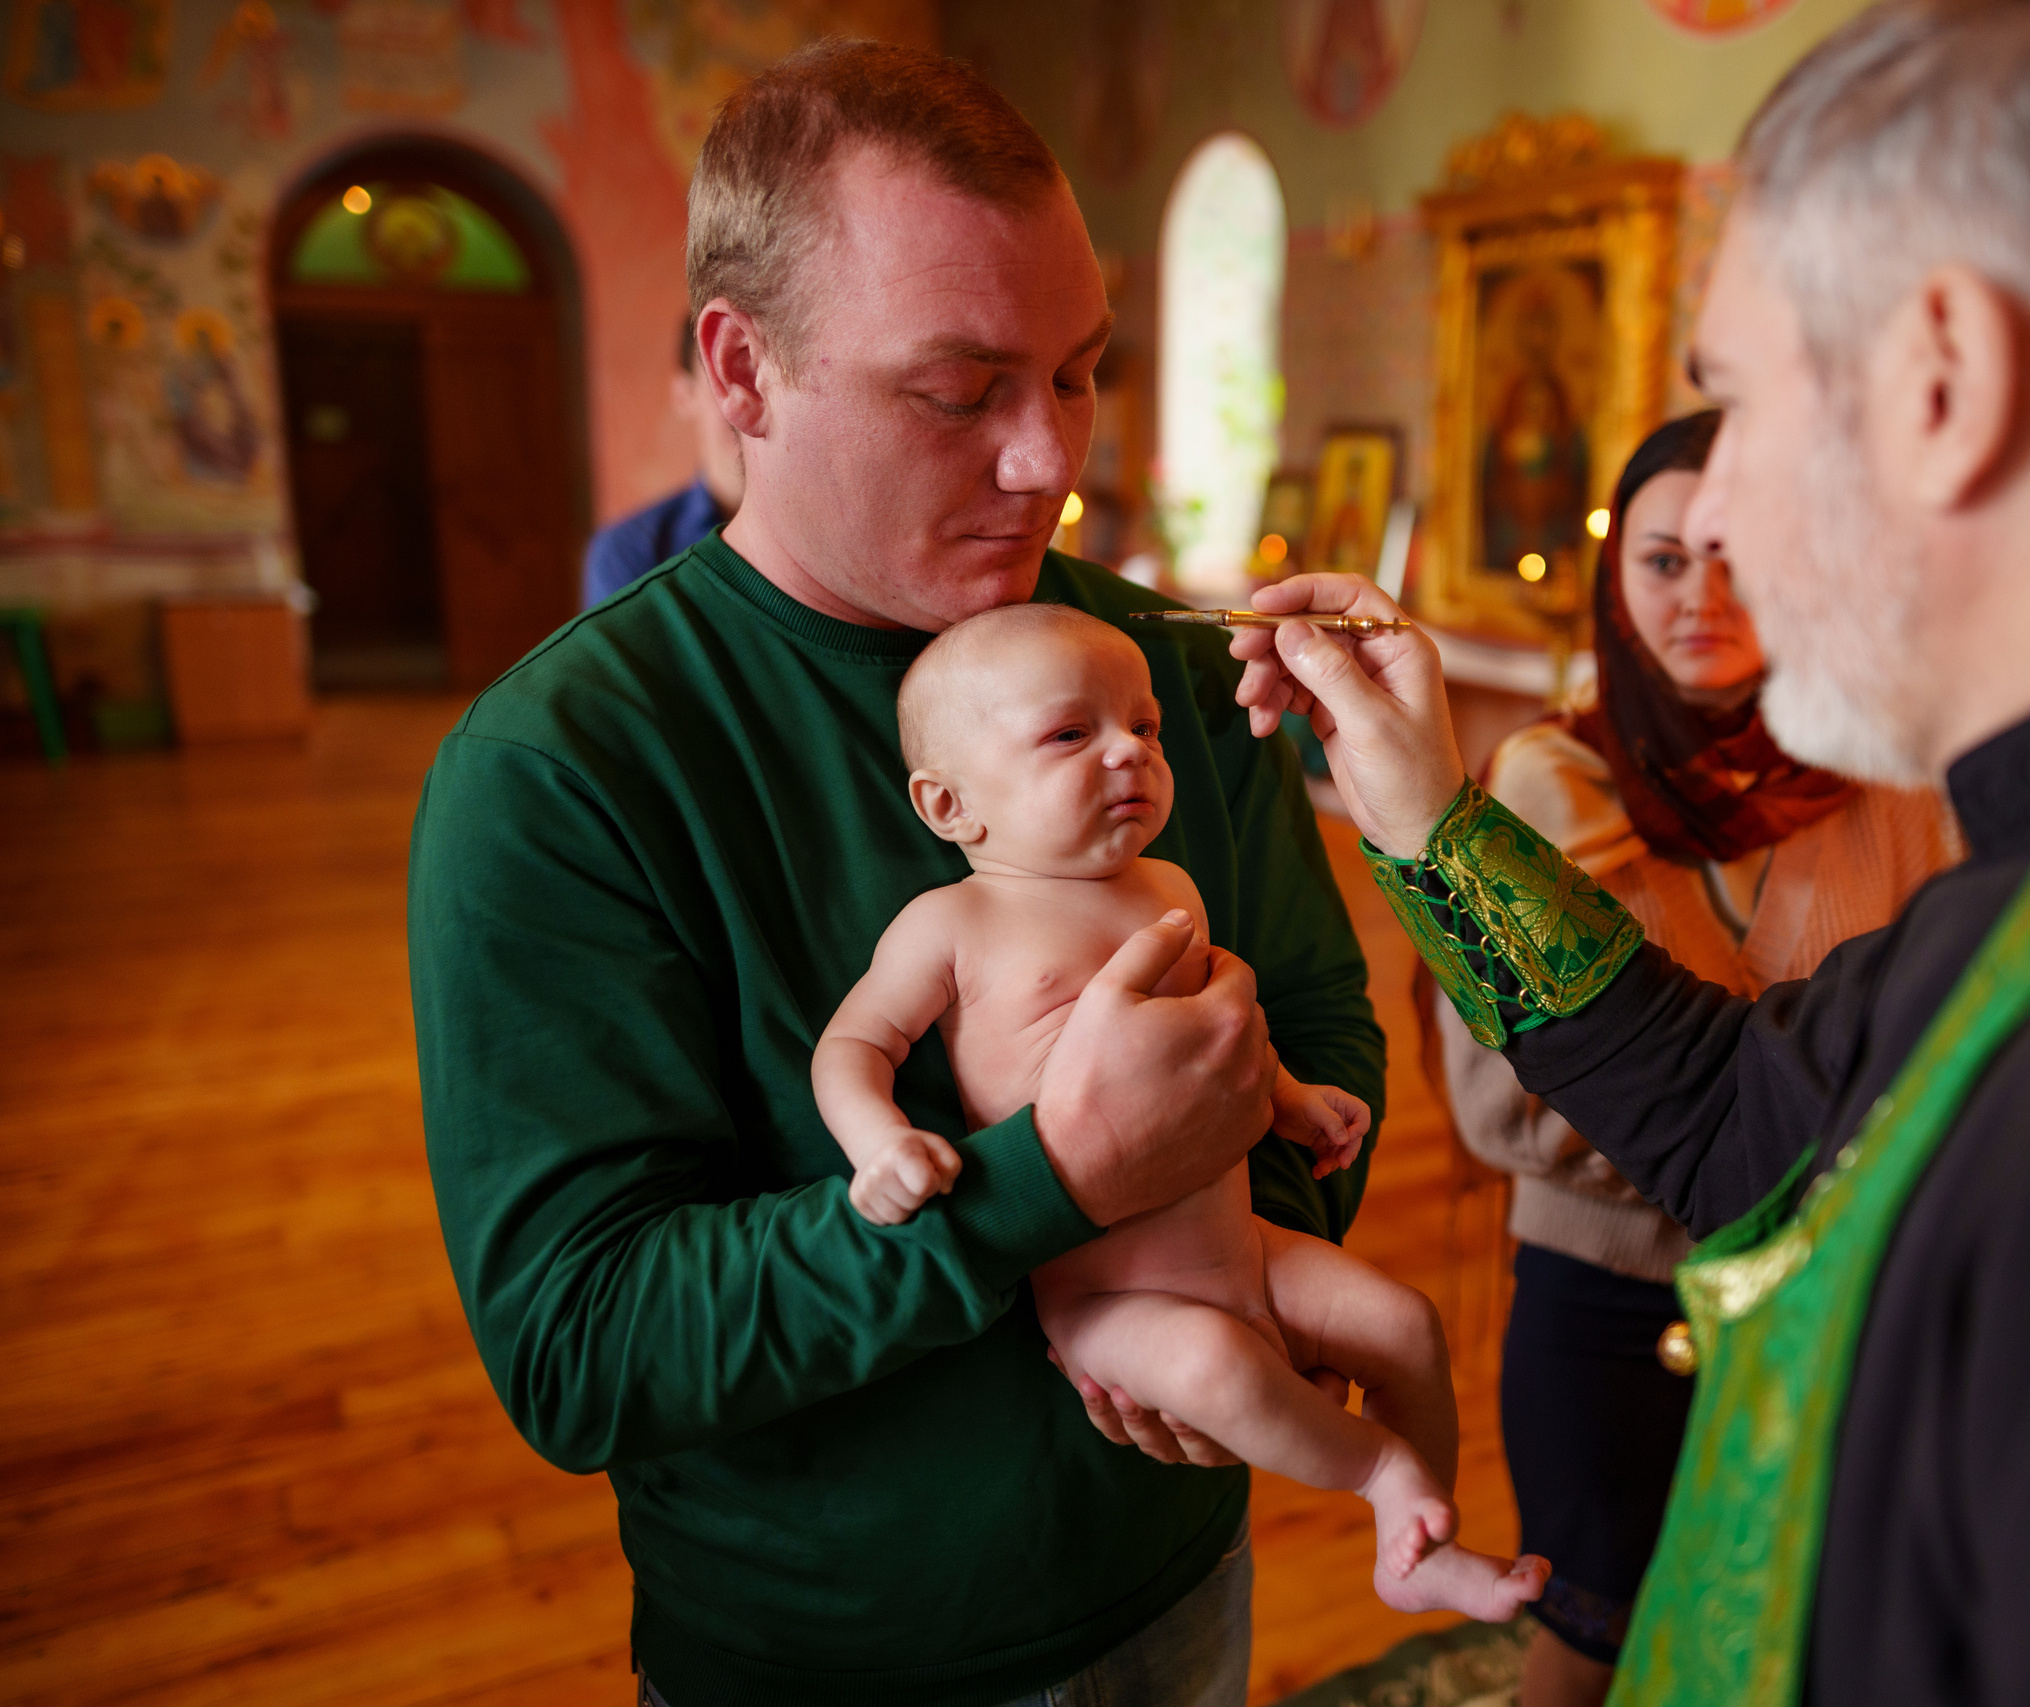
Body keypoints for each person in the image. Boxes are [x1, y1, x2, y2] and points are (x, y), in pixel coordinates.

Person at [1223, 2, 2030, 1701]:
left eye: (1739, 401)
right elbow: (1740, 1117)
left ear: (1945, 381)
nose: (1708, 522)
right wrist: (1425, 807)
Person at [409, 41, 1385, 1707]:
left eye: (1079, 372)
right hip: (831, 1653)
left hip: (1181, 1570)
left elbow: (1316, 1026)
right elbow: (583, 1342)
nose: (1043, 458)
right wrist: (1044, 1186)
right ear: (743, 370)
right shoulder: (561, 771)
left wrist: (1206, 1290)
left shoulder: (1153, 658)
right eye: (959, 392)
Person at [816, 603, 1547, 1620]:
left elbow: (1214, 1034)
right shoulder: (951, 926)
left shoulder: (1167, 886)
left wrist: (1289, 1101)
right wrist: (877, 1139)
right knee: (1211, 1365)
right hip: (1111, 1304)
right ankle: (1380, 1477)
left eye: (1146, 728)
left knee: (1403, 1324)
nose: (1129, 752)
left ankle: (1422, 1547)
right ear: (949, 805)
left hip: (1244, 1244)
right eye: (1073, 734)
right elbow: (852, 1048)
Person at [1435, 411, 1958, 1704]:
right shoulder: (1543, 783)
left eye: (1743, 553)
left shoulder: (1888, 777)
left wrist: (1693, 1091)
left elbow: (1939, 1037)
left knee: (1782, 1636)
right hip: (1603, 1302)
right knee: (1591, 1634)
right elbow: (1500, 1102)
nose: (1702, 595)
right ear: (1617, 577)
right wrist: (1785, 1114)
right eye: (1663, 559)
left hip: (1823, 1300)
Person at [579, 318, 748, 607]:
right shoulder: (630, 552)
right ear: (685, 395)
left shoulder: (824, 534)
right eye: (728, 380)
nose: (748, 403)